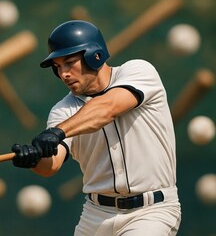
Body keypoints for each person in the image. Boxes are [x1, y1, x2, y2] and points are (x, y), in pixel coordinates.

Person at [11, 20, 181, 236]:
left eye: (69, 63)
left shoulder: (139, 71)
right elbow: (51, 165)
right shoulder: (63, 110)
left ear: (95, 55)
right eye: (58, 67)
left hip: (151, 212)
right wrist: (34, 159)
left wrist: (57, 132)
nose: (63, 74)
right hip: (96, 215)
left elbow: (106, 109)